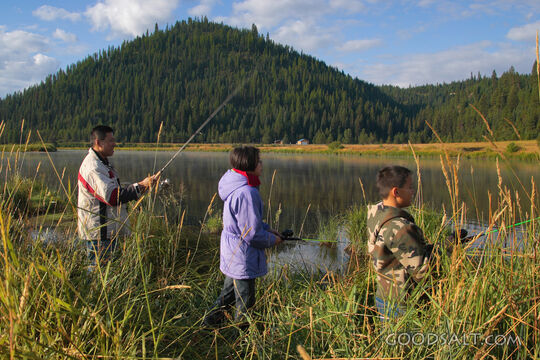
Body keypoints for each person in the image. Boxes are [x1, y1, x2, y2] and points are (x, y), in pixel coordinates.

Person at [203, 146, 283, 327]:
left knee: (229, 293)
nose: (262, 164)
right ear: (250, 164)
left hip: (233, 252)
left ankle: (208, 325)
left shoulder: (235, 184)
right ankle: (241, 340)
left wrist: (268, 230)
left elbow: (245, 223)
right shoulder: (247, 192)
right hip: (243, 255)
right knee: (245, 301)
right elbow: (252, 234)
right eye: (259, 161)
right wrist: (273, 240)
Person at [77, 125, 159, 265]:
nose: (114, 144)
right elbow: (112, 197)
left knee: (108, 276)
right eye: (110, 140)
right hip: (99, 236)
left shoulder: (102, 163)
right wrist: (141, 186)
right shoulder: (93, 168)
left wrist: (142, 187)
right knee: (99, 277)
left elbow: (114, 193)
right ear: (98, 142)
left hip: (108, 234)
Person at [366, 165, 434, 320]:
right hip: (401, 302)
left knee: (389, 341)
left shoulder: (376, 215)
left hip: (383, 296)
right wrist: (449, 248)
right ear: (396, 192)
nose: (412, 192)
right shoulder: (401, 227)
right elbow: (422, 271)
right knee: (403, 343)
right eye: (409, 187)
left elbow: (397, 253)